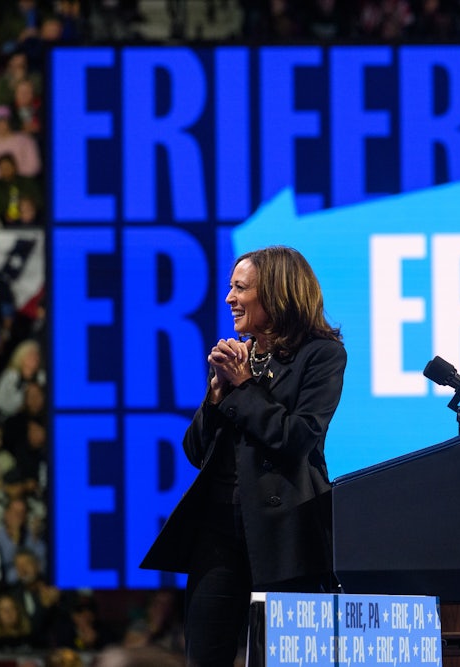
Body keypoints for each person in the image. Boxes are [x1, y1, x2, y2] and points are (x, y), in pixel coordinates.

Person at [140, 245, 347, 666]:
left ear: (275, 293)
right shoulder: (241, 355)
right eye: (230, 287)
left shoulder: (322, 355)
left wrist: (245, 387)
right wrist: (216, 395)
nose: (229, 298)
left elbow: (298, 438)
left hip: (286, 534)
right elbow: (196, 451)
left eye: (240, 288)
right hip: (217, 532)